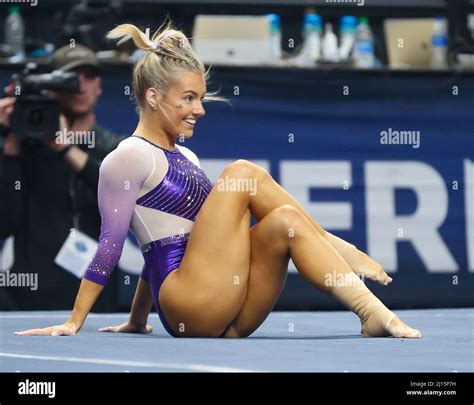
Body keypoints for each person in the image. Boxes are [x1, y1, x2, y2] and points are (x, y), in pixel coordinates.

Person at [15, 23, 421, 338]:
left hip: (230, 310)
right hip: (189, 303)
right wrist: (73, 322)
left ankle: (370, 314)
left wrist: (138, 321)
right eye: (189, 98)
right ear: (154, 97)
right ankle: (345, 253)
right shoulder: (126, 157)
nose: (200, 110)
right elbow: (112, 246)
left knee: (284, 221)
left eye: (201, 99)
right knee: (241, 173)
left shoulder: (185, 156)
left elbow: (150, 251)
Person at [0, 44, 126, 311]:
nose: (80, 85)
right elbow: (4, 224)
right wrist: (9, 147)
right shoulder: (23, 146)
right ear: (52, 86)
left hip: (97, 296)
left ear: (99, 86)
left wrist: (65, 148)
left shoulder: (115, 148)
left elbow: (122, 198)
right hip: (32, 297)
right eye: (70, 78)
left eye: (88, 76)